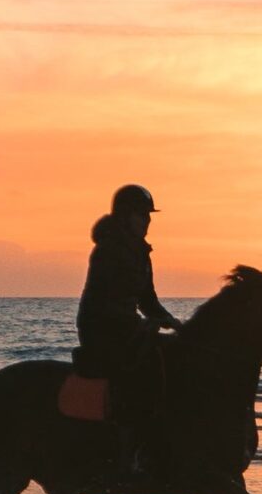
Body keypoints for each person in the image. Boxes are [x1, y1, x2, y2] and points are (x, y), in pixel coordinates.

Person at [76, 183, 182, 473]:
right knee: (144, 367)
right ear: (125, 216)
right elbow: (106, 300)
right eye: (141, 215)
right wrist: (142, 326)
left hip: (128, 326)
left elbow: (148, 301)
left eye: (149, 216)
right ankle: (126, 447)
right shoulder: (108, 250)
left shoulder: (141, 253)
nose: (147, 221)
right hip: (101, 327)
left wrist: (174, 323)